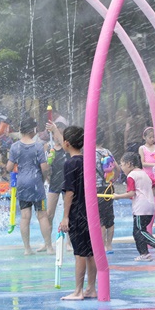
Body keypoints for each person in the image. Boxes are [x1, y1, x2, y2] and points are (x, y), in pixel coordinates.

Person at [57, 126, 97, 300]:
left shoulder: (70, 163)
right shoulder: (87, 161)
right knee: (90, 252)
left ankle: (78, 291)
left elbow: (70, 192)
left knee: (79, 252)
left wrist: (66, 216)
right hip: (90, 212)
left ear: (66, 143)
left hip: (77, 212)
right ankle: (91, 288)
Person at [6, 117, 52, 254]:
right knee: (42, 216)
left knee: (25, 216)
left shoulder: (15, 147)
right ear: (33, 130)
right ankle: (49, 247)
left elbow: (9, 167)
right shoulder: (38, 146)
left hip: (22, 184)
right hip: (36, 183)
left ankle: (27, 248)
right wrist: (44, 179)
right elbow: (44, 168)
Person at [112, 151, 155, 261]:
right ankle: (144, 253)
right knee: (138, 231)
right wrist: (151, 195)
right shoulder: (143, 173)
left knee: (139, 231)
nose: (122, 168)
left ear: (128, 164)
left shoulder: (131, 176)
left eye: (122, 165)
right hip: (150, 206)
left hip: (140, 207)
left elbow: (131, 193)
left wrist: (118, 196)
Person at [94, 128, 118, 252]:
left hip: (97, 190)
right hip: (109, 188)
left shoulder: (90, 153)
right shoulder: (108, 152)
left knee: (100, 219)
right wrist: (113, 179)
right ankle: (109, 245)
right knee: (109, 217)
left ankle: (102, 246)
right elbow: (117, 169)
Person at [45, 119, 67, 228]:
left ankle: (68, 242)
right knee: (49, 213)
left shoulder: (67, 147)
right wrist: (48, 164)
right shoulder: (49, 148)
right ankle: (48, 243)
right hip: (54, 182)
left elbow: (64, 145)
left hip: (67, 183)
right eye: (55, 134)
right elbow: (46, 168)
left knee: (68, 214)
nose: (57, 136)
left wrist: (55, 129)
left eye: (60, 133)